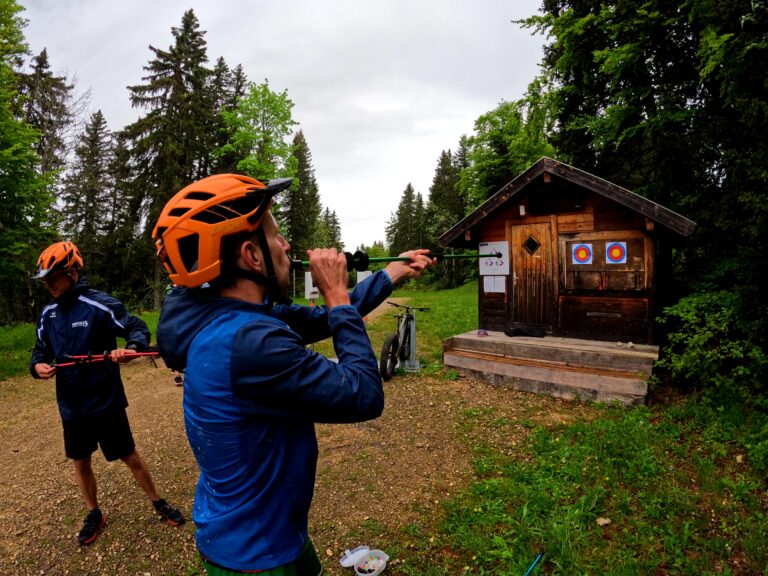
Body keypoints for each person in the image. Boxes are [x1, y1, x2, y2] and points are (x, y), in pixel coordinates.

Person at [152, 174, 436, 575]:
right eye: (277, 236)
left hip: (261, 534)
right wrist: (336, 294)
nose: (287, 246)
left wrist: (390, 273)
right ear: (252, 256)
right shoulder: (252, 345)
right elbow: (364, 394)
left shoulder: (236, 322)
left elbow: (324, 320)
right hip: (258, 556)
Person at [30, 241, 185, 545]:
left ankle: (157, 501)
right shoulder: (47, 314)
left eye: (53, 276)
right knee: (80, 462)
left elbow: (136, 326)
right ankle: (94, 513)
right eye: (45, 278)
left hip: (106, 402)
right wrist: (37, 367)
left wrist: (133, 347)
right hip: (72, 406)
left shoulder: (99, 305)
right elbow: (39, 351)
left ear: (72, 273)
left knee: (129, 455)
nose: (48, 283)